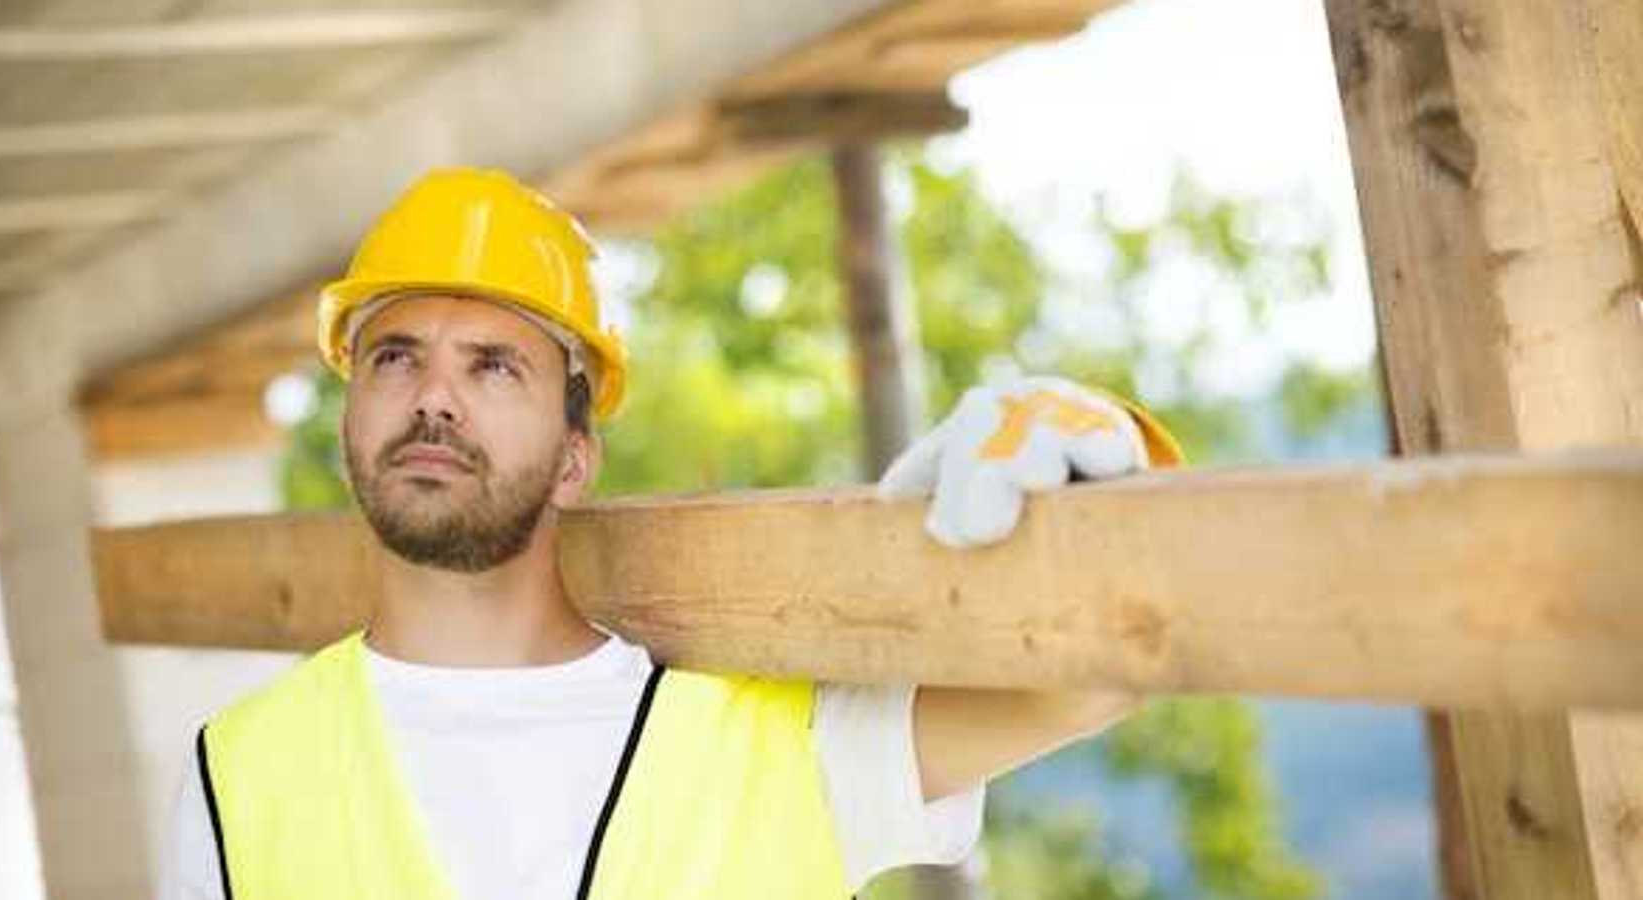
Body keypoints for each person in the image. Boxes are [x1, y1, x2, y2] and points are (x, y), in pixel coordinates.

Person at [157, 167, 1183, 900]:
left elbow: (1102, 676)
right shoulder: (235, 775)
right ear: (349, 418)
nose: (433, 399)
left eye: (492, 366)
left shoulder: (778, 743)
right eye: (394, 358)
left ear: (574, 458)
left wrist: (1109, 457)